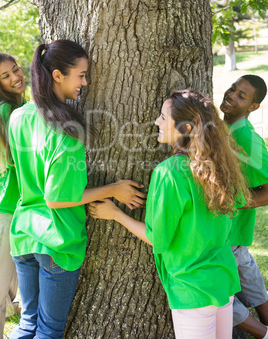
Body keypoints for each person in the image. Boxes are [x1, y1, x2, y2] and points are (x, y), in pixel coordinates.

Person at [8, 40, 146, 339]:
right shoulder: (67, 132)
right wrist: (114, 190)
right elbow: (57, 199)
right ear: (58, 75)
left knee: (28, 324)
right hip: (56, 240)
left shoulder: (19, 116)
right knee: (48, 331)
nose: (85, 82)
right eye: (81, 75)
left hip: (24, 233)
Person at [89, 89, 252, 338]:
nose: (157, 122)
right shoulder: (221, 166)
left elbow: (159, 239)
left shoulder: (169, 173)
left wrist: (115, 214)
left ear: (186, 128)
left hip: (192, 289)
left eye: (164, 117)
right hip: (222, 280)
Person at [220, 74, 268, 339]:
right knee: (249, 278)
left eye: (242, 96)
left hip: (228, 233)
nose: (231, 95)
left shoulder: (247, 138)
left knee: (220, 292)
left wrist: (232, 203)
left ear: (253, 107)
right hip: (227, 233)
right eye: (233, 89)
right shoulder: (224, 129)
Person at [0, 53, 25, 339]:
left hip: (19, 208)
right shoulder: (8, 112)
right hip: (8, 208)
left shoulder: (19, 107)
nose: (15, 77)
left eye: (15, 69)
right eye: (5, 76)